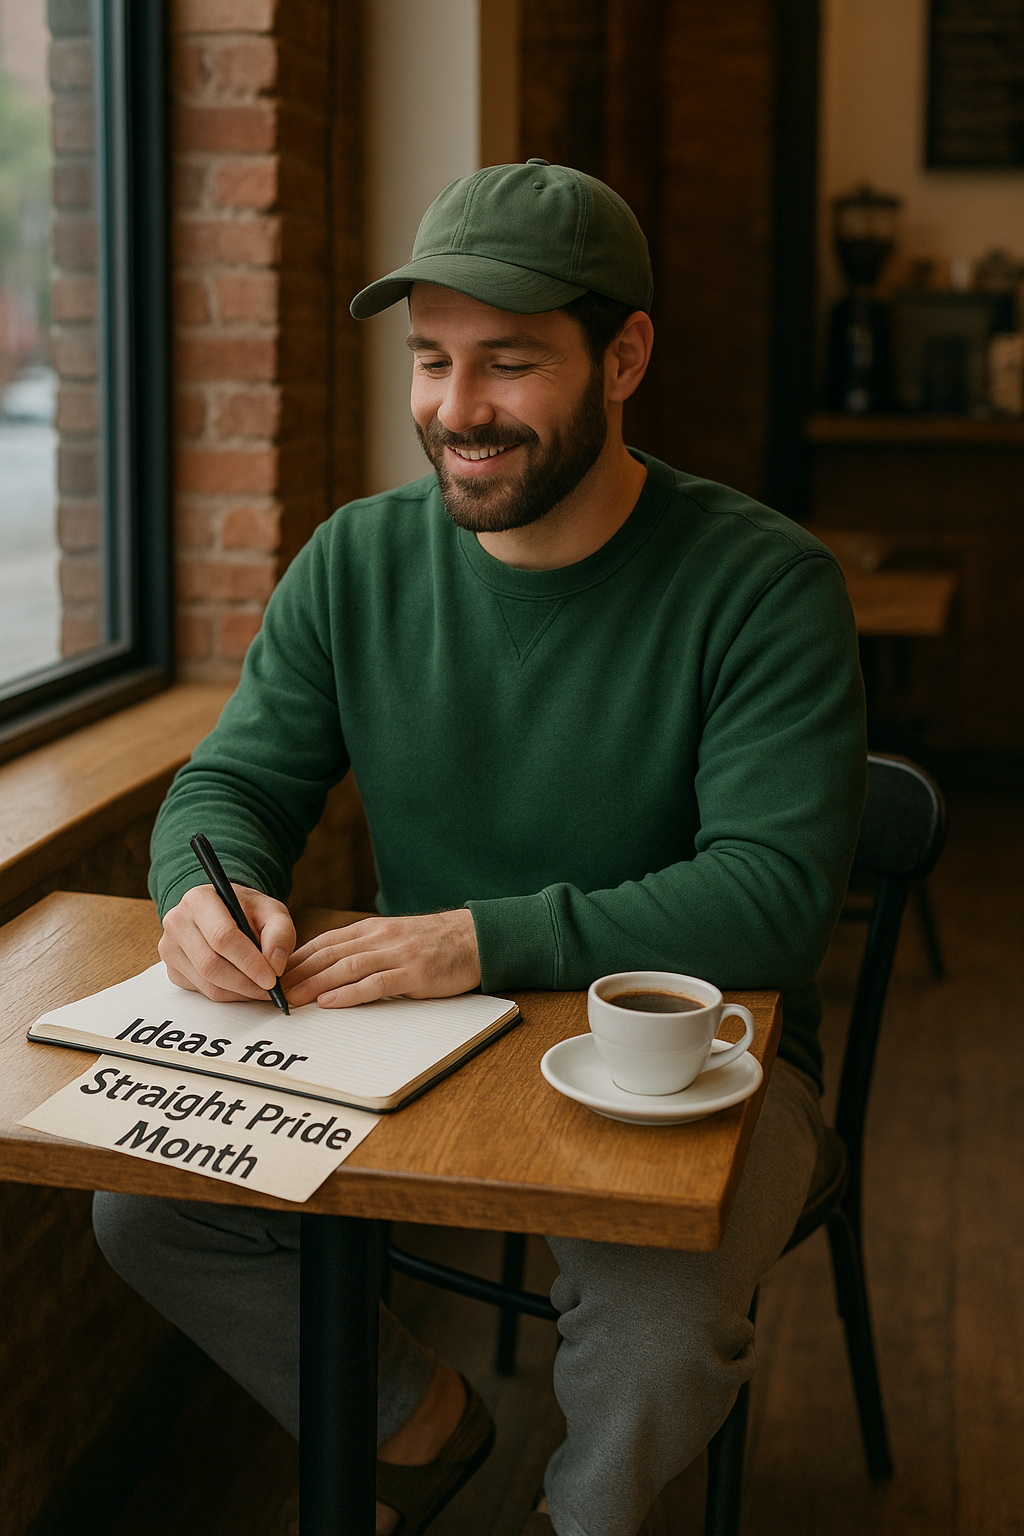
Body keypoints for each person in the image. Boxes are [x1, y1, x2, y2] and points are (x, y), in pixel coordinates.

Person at [92, 159, 866, 1536]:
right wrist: (202, 892)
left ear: (624, 355)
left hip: (696, 1056)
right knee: (148, 1212)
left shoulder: (764, 584)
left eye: (506, 364)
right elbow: (232, 781)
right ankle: (432, 1430)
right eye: (431, 360)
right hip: (419, 1036)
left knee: (656, 1331)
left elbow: (775, 901)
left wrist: (476, 936)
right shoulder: (355, 561)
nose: (455, 412)